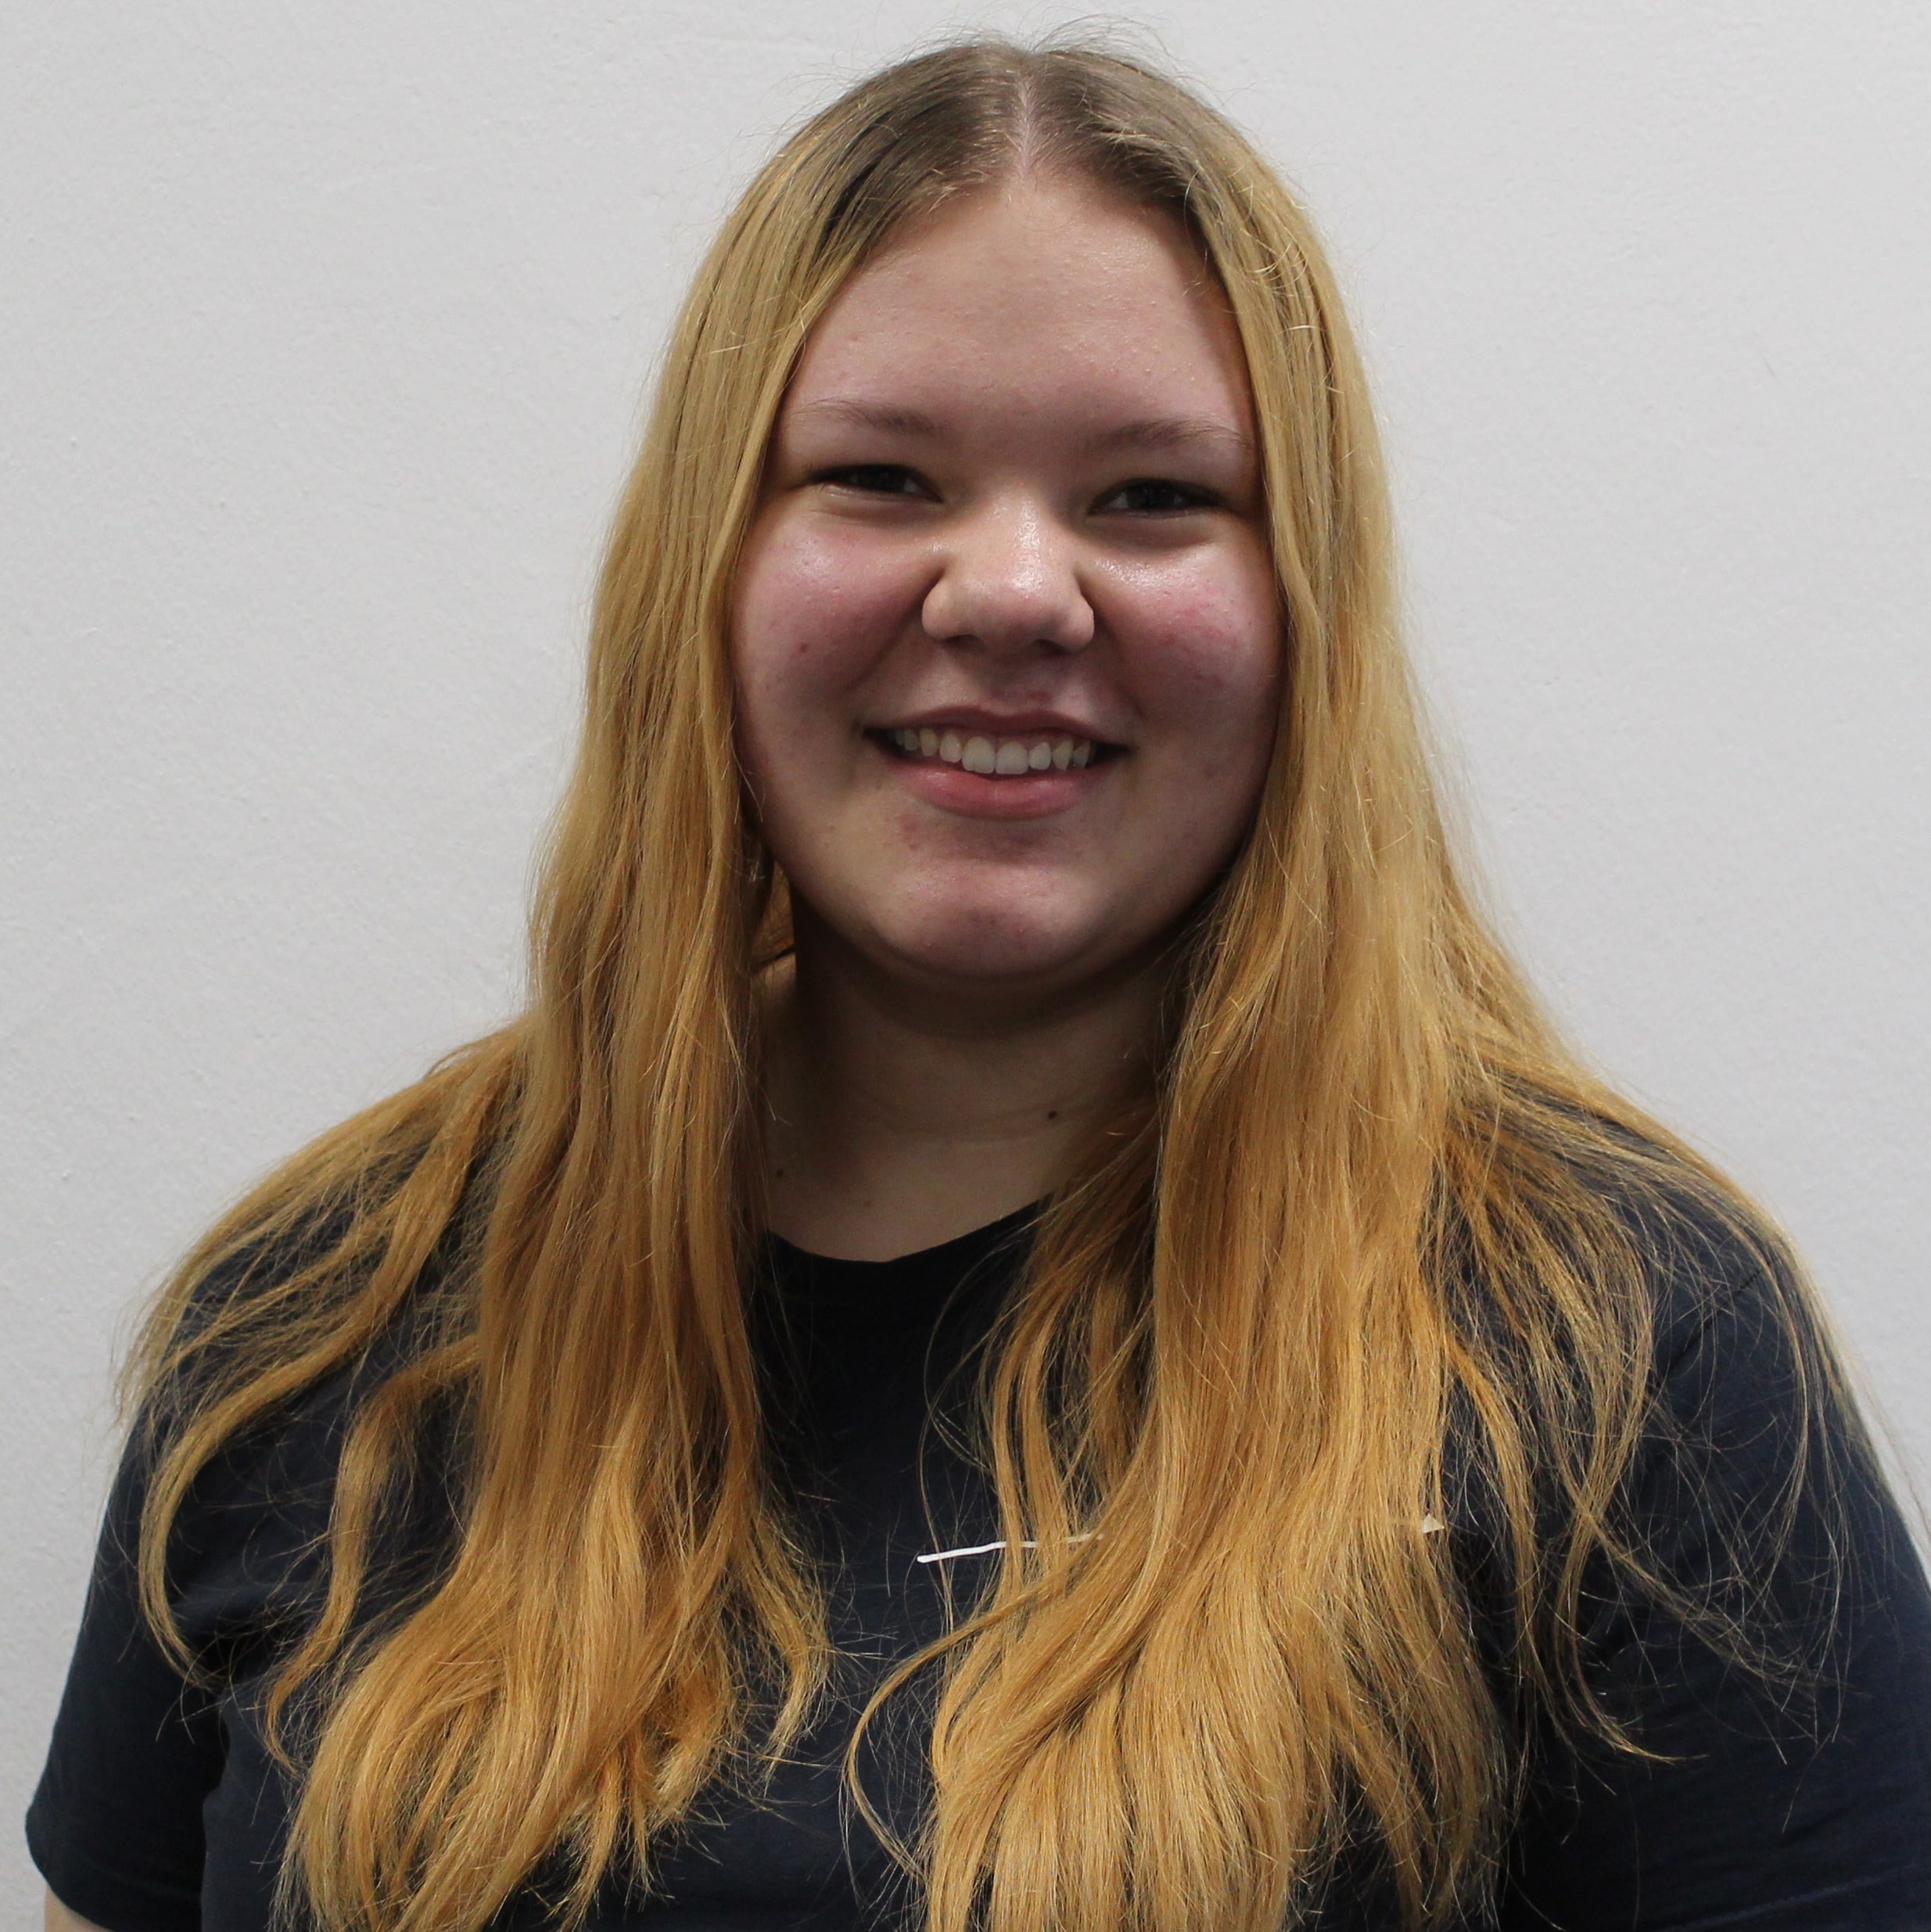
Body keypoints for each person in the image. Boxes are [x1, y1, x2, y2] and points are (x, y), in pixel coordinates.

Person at [27, 36, 1931, 1932]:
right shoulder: (318, 1315)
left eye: (1149, 495)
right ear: (705, 567)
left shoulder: (1614, 1347)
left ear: (1305, 605)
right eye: (878, 475)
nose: (1012, 591)